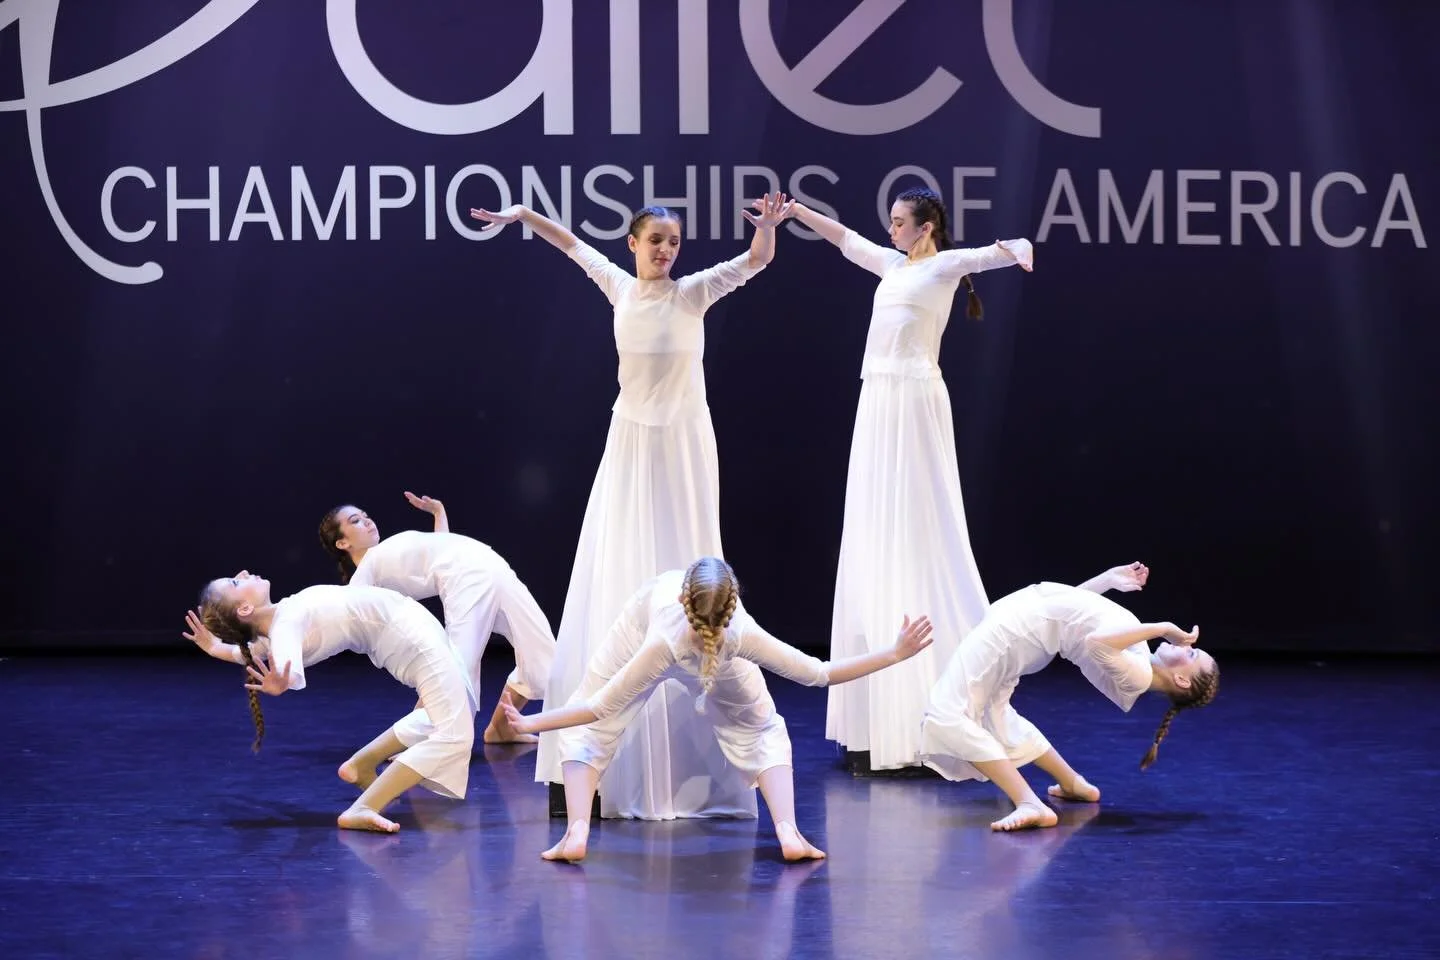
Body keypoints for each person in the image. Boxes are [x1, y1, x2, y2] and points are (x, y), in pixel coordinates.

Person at [468, 194, 794, 819]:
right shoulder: (619, 287)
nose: (665, 251)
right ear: (634, 244)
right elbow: (571, 245)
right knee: (623, 560)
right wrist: (524, 218)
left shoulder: (691, 294)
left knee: (687, 557)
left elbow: (754, 262)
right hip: (632, 444)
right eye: (655, 241)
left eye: (673, 242)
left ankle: (692, 744)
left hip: (684, 444)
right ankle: (609, 757)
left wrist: (768, 230)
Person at [778, 187, 1034, 771]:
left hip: (914, 399)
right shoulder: (892, 266)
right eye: (890, 222)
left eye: (899, 222)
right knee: (875, 526)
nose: (890, 230)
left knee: (916, 519)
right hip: (878, 400)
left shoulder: (943, 266)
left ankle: (936, 706)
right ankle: (880, 713)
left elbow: (992, 252)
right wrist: (798, 212)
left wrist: (1018, 249)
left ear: (925, 227)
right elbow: (845, 240)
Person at [500, 556, 936, 862]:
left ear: (682, 599)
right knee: (762, 727)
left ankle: (576, 832)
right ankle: (788, 831)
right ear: (734, 603)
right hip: (716, 653)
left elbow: (597, 707)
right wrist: (894, 653)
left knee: (589, 727)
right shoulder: (740, 631)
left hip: (648, 637)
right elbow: (818, 673)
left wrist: (531, 721)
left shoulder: (664, 638)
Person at [919, 562, 1220, 831]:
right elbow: (1070, 613)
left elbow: (1096, 642)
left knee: (946, 714)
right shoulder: (1139, 657)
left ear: (1181, 679)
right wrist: (1106, 580)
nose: (1185, 644)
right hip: (1023, 626)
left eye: (1191, 653)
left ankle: (1030, 803)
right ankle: (1073, 784)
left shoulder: (1139, 674)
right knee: (994, 714)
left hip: (1015, 632)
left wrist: (1163, 628)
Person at [185, 571, 473, 833]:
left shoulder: (279, 622)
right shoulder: (285, 625)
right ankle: (362, 808)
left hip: (411, 631)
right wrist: (281, 683)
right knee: (454, 735)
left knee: (450, 709)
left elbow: (245, 652)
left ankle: (362, 764)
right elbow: (286, 669)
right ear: (245, 609)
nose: (243, 573)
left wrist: (214, 647)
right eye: (236, 582)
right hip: (412, 641)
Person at [318, 492, 556, 744]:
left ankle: (501, 728)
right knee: (456, 669)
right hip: (466, 578)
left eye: (365, 516)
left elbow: (441, 548)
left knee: (543, 653)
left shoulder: (386, 552)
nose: (367, 521)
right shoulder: (365, 574)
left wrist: (438, 512)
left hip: (490, 564)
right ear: (342, 543)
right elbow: (343, 613)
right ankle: (410, 743)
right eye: (355, 521)